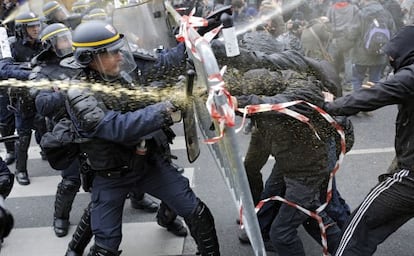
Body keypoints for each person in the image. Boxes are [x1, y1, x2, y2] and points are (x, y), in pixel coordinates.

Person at [43, 20, 220, 255]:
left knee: (197, 212)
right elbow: (116, 127)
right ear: (90, 58)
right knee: (105, 245)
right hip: (111, 175)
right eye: (112, 53)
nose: (119, 57)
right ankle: (74, 249)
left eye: (119, 50)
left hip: (148, 164)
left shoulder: (121, 73)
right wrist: (165, 108)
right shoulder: (79, 93)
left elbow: (162, 65)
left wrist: (197, 38)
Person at [322, 25, 414, 256]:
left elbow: (376, 96)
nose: (389, 57)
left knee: (357, 230)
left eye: (393, 52)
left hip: (411, 177)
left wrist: (330, 105)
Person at [9, 12, 48, 185]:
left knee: (43, 127)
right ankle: (21, 170)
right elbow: (5, 69)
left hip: (42, 94)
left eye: (37, 24)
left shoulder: (44, 43)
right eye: (31, 26)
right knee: (23, 136)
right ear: (21, 29)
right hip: (23, 97)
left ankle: (46, 150)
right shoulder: (12, 46)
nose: (36, 28)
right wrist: (30, 72)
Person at [348, 0, 396, 92]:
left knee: (357, 78)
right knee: (375, 79)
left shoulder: (361, 13)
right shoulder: (386, 13)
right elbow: (393, 32)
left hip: (361, 53)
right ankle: (373, 101)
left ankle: (358, 100)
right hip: (379, 52)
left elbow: (352, 33)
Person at [326, 0, 360, 90]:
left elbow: (327, 21)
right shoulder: (354, 8)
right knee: (348, 61)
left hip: (335, 38)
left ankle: (333, 81)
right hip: (349, 39)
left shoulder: (331, 8)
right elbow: (358, 22)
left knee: (333, 61)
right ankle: (348, 83)